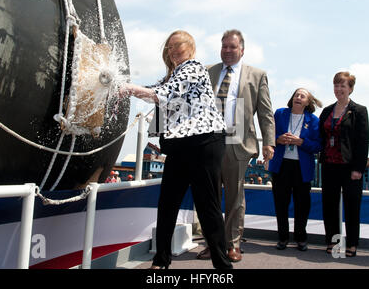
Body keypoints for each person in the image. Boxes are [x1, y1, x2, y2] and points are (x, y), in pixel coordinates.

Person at [119, 30, 232, 269]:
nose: (173, 50)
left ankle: (223, 266)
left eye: (177, 45)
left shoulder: (194, 68)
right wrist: (124, 87)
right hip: (180, 145)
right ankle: (160, 260)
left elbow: (164, 94)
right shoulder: (173, 76)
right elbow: (156, 90)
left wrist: (128, 88)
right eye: (169, 47)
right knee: (167, 202)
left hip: (205, 142)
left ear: (190, 48)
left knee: (207, 203)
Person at [196, 29, 275, 262]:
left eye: (232, 47)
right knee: (208, 197)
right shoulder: (207, 71)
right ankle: (212, 243)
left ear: (242, 49)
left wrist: (269, 142)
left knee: (234, 198)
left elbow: (266, 113)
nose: (227, 51)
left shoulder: (257, 75)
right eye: (224, 47)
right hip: (208, 142)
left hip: (237, 142)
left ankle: (232, 245)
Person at [319, 71, 369, 257]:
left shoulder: (359, 111)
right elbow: (321, 137)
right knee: (329, 206)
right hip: (329, 165)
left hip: (350, 168)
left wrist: (358, 168)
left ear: (350, 89)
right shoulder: (326, 111)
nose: (338, 89)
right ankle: (333, 243)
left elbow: (363, 142)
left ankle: (352, 244)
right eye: (336, 85)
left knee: (352, 206)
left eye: (343, 86)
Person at [268, 88, 322, 251]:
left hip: (302, 168)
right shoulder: (280, 114)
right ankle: (282, 238)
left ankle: (301, 238)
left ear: (308, 102)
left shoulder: (313, 120)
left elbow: (318, 146)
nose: (298, 97)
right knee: (281, 203)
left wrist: (301, 142)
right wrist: (278, 139)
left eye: (302, 96)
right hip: (281, 166)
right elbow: (269, 134)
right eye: (296, 95)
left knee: (302, 205)